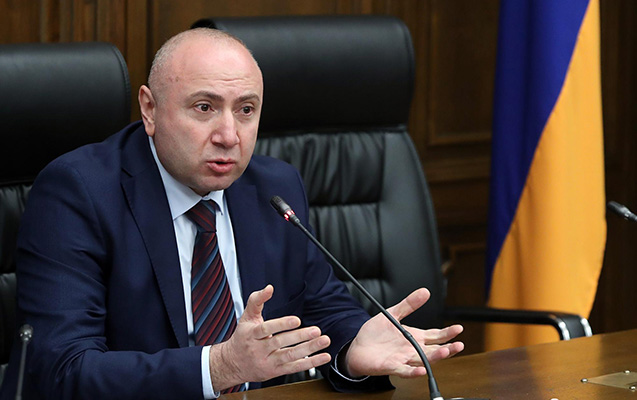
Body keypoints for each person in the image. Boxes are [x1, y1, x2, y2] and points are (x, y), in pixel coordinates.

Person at [0, 28, 463, 399]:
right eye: (204, 108)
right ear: (150, 109)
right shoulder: (77, 193)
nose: (229, 135)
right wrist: (219, 367)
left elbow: (320, 306)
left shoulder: (274, 189)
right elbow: (63, 371)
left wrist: (352, 348)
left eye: (246, 110)